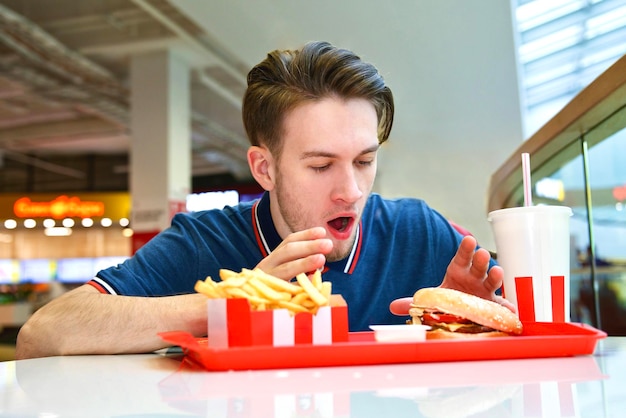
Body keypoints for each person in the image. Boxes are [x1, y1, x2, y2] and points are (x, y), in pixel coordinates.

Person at [15, 41, 509, 359]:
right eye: (320, 166)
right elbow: (43, 334)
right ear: (264, 168)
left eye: (363, 161)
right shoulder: (203, 240)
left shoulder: (417, 230)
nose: (352, 191)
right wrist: (234, 301)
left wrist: (459, 326)